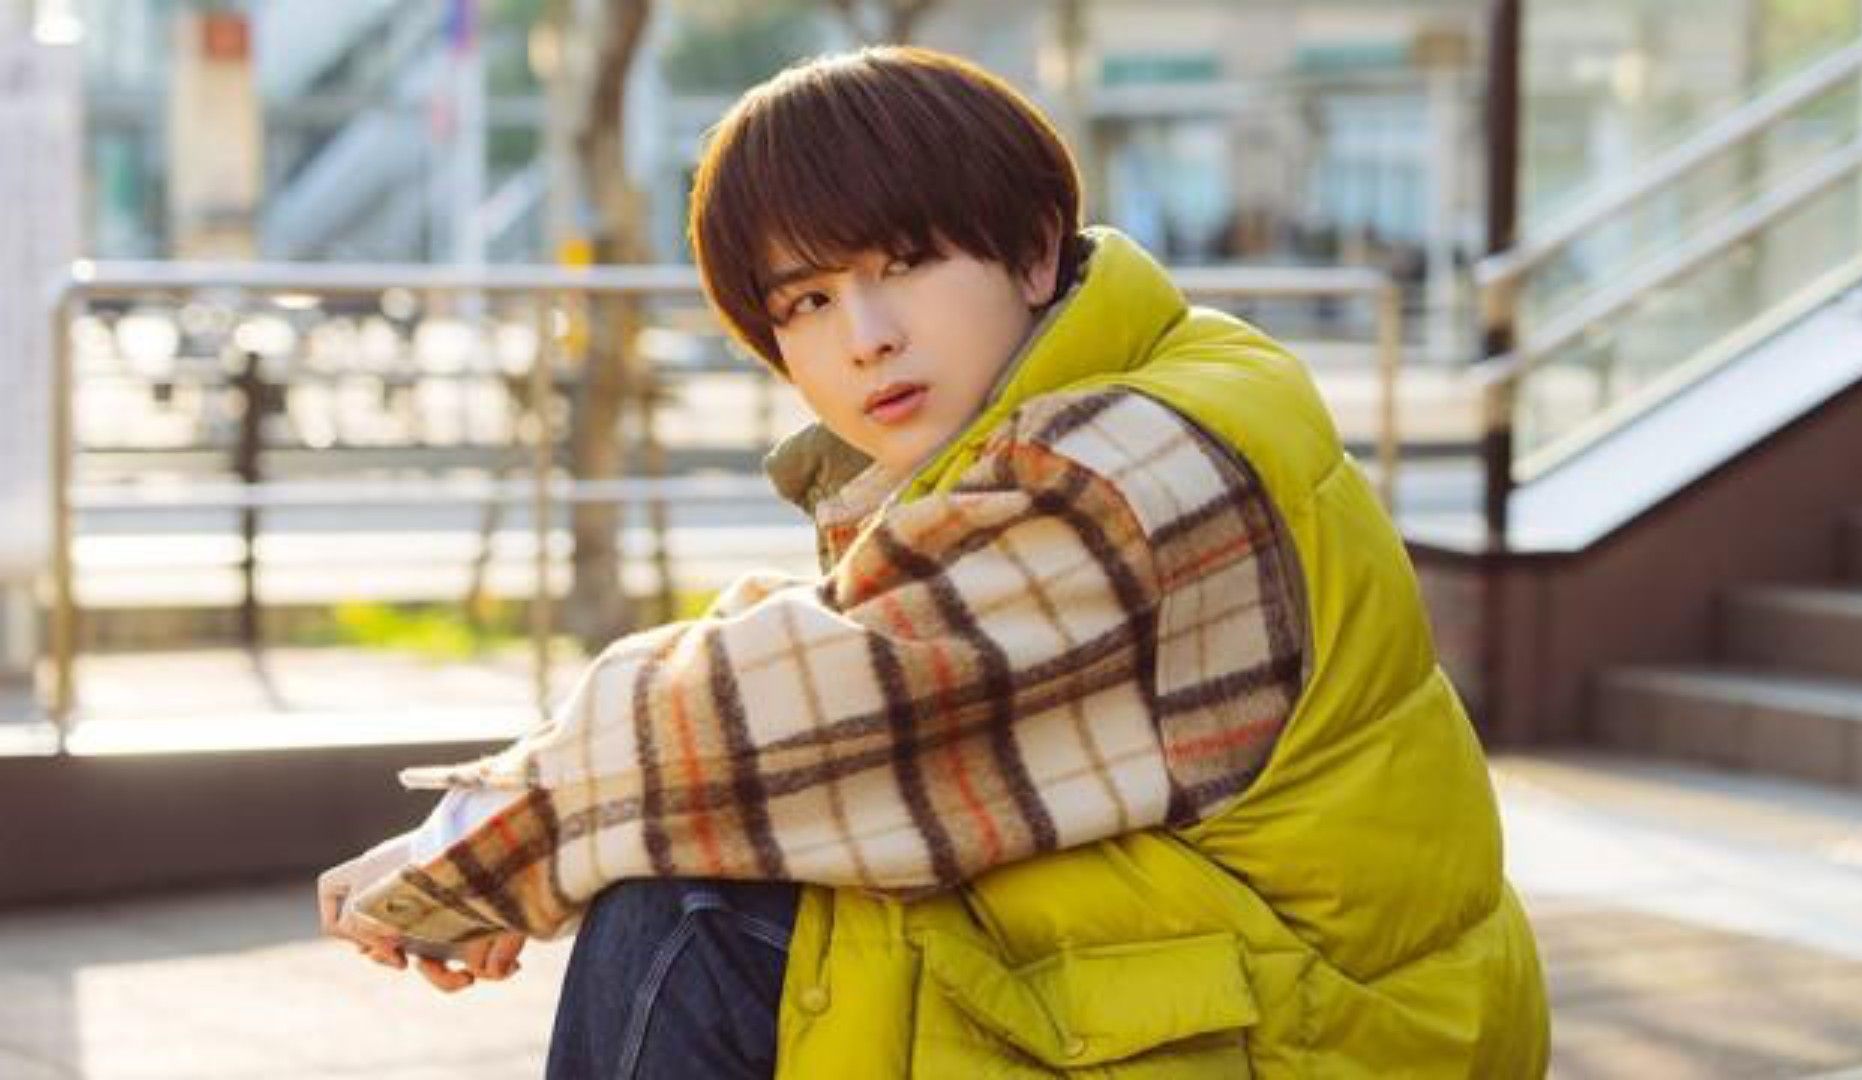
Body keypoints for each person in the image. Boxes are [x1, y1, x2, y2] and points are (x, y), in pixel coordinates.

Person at [318, 46, 1550, 1077]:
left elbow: (805, 708)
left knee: (690, 912)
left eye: (903, 265)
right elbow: (819, 648)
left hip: (1333, 1035)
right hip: (1291, 983)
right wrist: (518, 832)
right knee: (709, 840)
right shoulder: (1149, 373)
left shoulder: (1123, 469)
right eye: (805, 303)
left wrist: (476, 853)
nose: (865, 336)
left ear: (1033, 251)